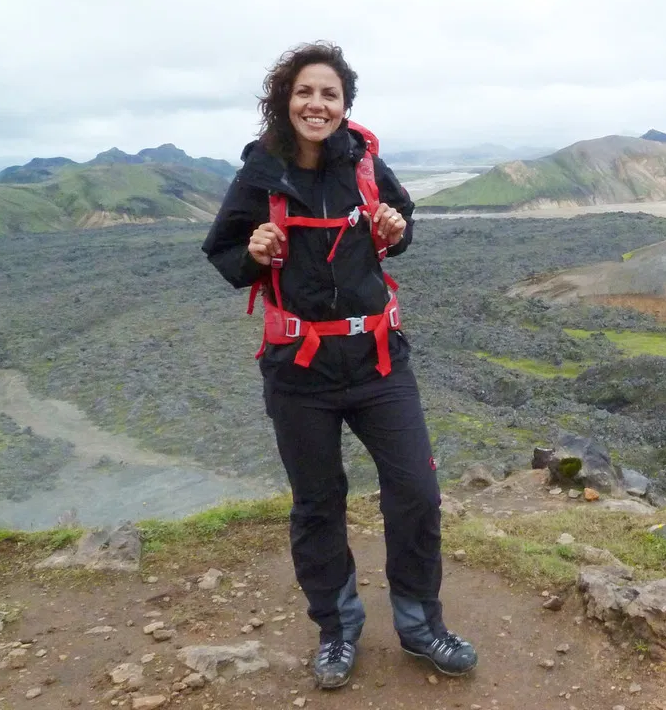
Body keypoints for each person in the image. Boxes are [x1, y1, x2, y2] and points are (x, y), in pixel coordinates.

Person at [201, 41, 477, 690]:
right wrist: (254, 251)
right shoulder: (260, 175)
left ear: (345, 104)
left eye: (329, 94)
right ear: (285, 100)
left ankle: (420, 624)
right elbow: (223, 253)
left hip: (378, 361)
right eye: (305, 92)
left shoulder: (365, 163)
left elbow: (400, 226)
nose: (316, 104)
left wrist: (393, 229)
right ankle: (337, 629)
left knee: (417, 491)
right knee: (318, 504)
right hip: (299, 373)